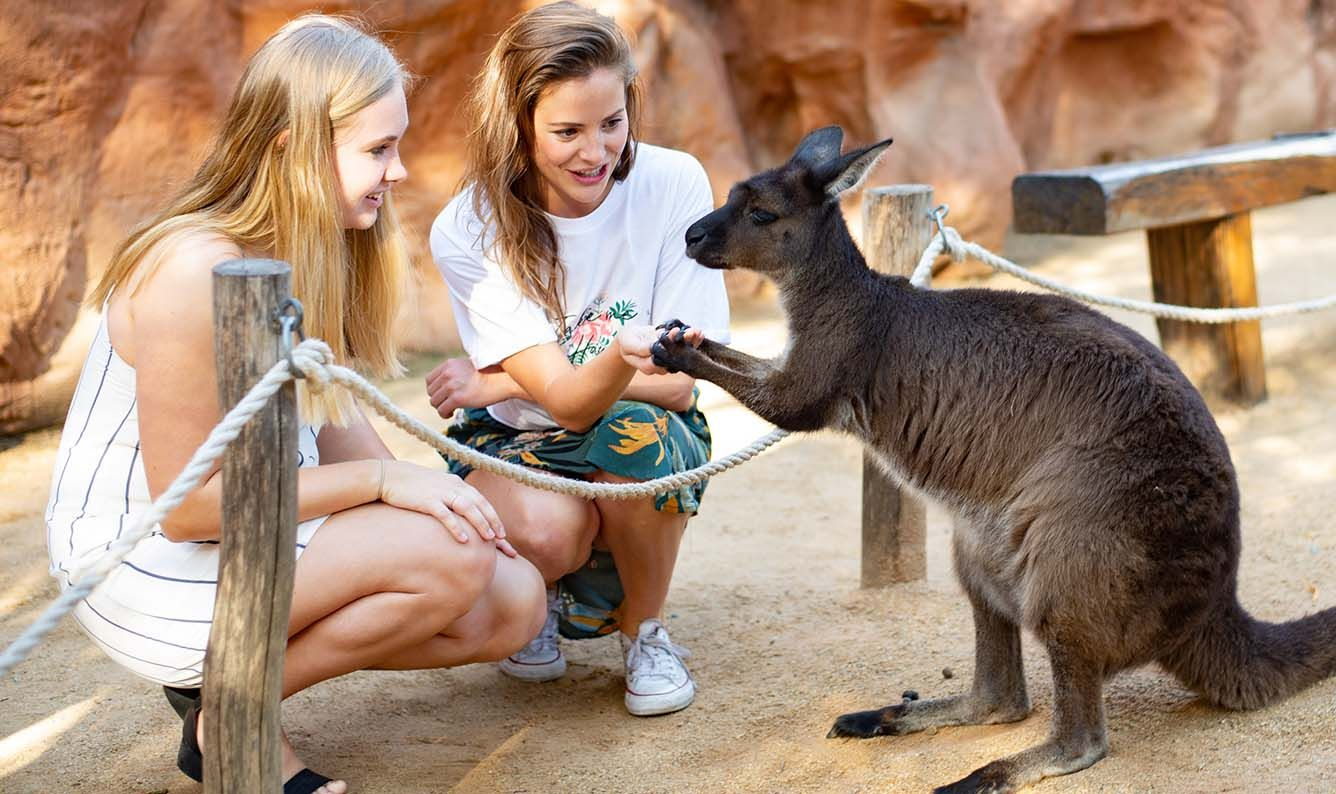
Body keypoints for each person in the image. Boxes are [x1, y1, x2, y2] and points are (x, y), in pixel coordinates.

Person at [43, 15, 546, 794]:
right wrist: (387, 492)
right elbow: (186, 509)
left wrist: (435, 500)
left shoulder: (307, 246)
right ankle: (233, 719)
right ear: (294, 147)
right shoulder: (192, 269)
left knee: (510, 601)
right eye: (378, 150)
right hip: (146, 564)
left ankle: (228, 699)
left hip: (254, 526)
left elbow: (338, 428)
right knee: (453, 559)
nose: (400, 170)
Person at [427, 1, 729, 718]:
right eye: (567, 131)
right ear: (519, 126)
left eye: (612, 123)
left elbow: (685, 386)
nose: (595, 153)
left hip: (635, 437)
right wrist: (627, 361)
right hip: (519, 440)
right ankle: (546, 597)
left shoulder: (675, 183)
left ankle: (644, 629)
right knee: (549, 531)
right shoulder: (469, 226)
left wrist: (493, 380)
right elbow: (561, 403)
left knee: (636, 432)